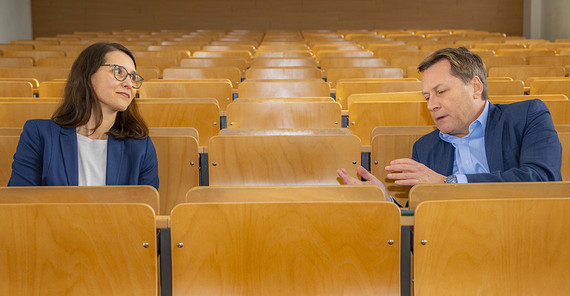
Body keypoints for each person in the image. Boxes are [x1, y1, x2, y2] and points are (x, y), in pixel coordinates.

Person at [338, 47, 562, 200]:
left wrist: (448, 182)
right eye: (427, 97)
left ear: (475, 87)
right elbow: (421, 223)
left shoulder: (527, 116)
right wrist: (385, 200)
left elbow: (543, 180)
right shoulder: (425, 148)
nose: (431, 105)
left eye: (441, 92)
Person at [8, 42, 159, 189]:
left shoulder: (140, 146)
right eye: (118, 72)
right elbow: (21, 205)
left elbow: (144, 210)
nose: (129, 84)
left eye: (133, 77)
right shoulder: (39, 134)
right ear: (87, 75)